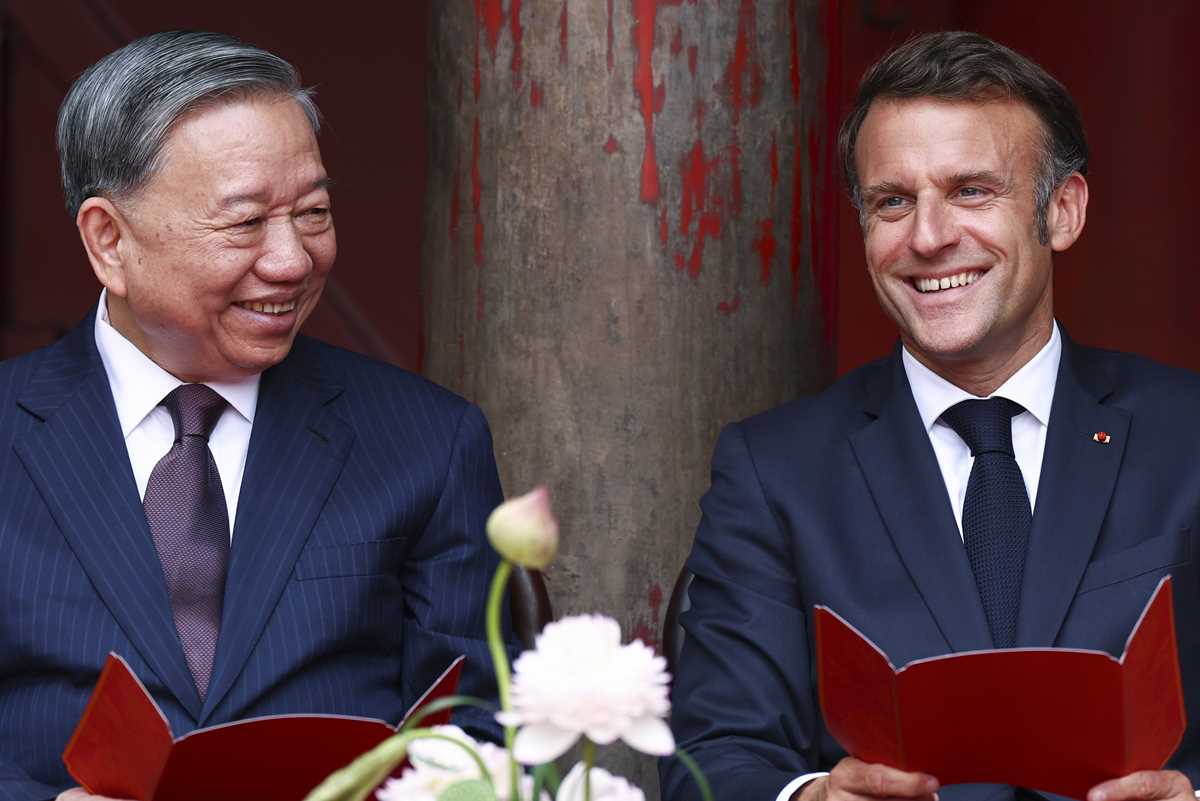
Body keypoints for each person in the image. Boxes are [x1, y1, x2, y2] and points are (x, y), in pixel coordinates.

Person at [661, 31, 1200, 801]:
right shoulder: (774, 471)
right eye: (892, 201)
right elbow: (712, 759)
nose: (928, 236)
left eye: (971, 191)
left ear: (1063, 211)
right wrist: (811, 798)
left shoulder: (1188, 437)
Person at [0, 31, 507, 801]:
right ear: (110, 240)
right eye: (244, 223)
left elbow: (481, 735)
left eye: (313, 212)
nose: (292, 260)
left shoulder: (429, 442)